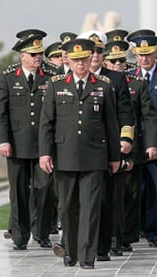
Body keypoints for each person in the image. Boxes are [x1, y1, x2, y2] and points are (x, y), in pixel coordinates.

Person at [39, 38, 121, 269]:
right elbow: (47, 123)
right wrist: (45, 154)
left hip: (94, 156)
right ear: (68, 60)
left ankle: (87, 256)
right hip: (64, 156)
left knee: (90, 207)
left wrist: (114, 157)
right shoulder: (56, 84)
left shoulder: (102, 85)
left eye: (84, 59)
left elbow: (111, 125)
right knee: (66, 207)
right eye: (76, 60)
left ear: (90, 59)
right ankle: (71, 251)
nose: (81, 64)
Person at [76, 30, 135, 260]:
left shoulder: (116, 78)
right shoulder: (70, 79)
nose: (96, 55)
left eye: (100, 51)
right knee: (76, 200)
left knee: (107, 198)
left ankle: (105, 244)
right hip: (79, 149)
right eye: (92, 51)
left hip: (108, 147)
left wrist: (125, 140)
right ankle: (77, 243)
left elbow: (126, 114)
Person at [0, 32, 56, 250]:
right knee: (19, 192)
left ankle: (41, 233)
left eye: (39, 53)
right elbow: (1, 113)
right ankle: (20, 236)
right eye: (33, 54)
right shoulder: (8, 78)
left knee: (45, 189)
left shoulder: (51, 76)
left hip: (44, 146)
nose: (37, 57)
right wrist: (3, 141)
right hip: (17, 145)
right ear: (22, 56)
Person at [103, 37, 157, 251]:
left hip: (130, 147)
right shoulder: (100, 84)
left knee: (129, 195)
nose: (117, 65)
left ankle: (125, 237)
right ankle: (112, 237)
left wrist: (149, 144)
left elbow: (147, 116)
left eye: (120, 61)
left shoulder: (136, 84)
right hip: (105, 148)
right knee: (109, 195)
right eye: (113, 61)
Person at [128, 31, 157, 248]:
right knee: (137, 189)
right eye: (141, 54)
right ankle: (134, 228)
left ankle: (154, 230)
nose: (145, 58)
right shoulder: (129, 77)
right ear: (135, 54)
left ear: (156, 53)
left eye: (148, 54)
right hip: (135, 144)